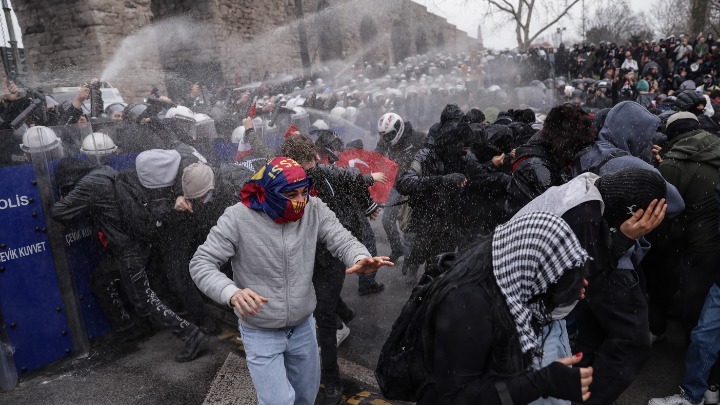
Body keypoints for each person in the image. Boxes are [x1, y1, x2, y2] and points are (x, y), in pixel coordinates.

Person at [189, 157, 393, 405]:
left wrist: (360, 256)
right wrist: (230, 292)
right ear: (269, 192)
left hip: (303, 328)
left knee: (305, 398)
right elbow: (201, 263)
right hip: (259, 329)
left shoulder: (313, 208)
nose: (300, 200)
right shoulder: (237, 217)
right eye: (291, 194)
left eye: (303, 192)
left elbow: (343, 239)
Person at [418, 212, 593, 404]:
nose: (543, 302)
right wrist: (542, 382)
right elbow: (455, 398)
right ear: (532, 267)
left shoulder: (506, 280)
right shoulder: (470, 303)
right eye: (547, 289)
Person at [51, 157, 208, 362]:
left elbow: (58, 211)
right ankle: (129, 327)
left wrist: (66, 196)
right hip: (137, 240)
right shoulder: (105, 172)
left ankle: (191, 334)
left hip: (128, 249)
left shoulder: (88, 185)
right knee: (101, 279)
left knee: (143, 299)